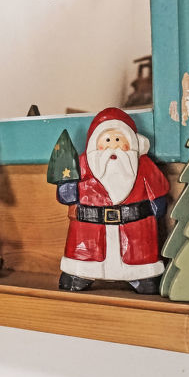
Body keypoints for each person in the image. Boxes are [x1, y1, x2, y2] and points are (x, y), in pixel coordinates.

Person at [57, 108, 169, 294]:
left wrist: (157, 207)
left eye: (118, 140)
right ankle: (79, 274)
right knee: (82, 264)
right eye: (107, 141)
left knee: (142, 268)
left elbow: (158, 191)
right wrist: (66, 190)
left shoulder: (143, 166)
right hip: (89, 234)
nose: (113, 147)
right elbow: (67, 192)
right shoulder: (83, 165)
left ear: (131, 142)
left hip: (135, 233)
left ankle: (142, 277)